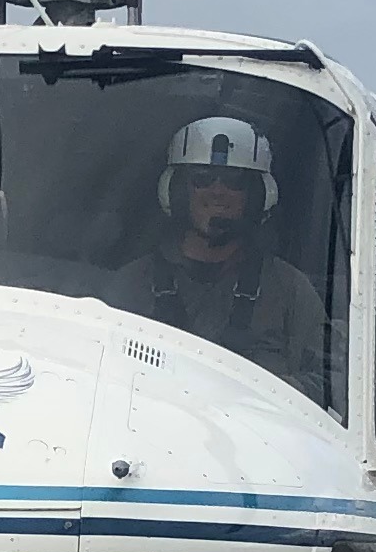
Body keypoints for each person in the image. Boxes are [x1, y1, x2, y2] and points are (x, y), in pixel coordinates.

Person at [102, 113, 325, 392]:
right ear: (177, 192)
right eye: (202, 179)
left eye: (235, 181)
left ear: (257, 196)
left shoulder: (290, 291)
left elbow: (328, 387)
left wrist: (253, 395)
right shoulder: (132, 285)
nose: (218, 191)